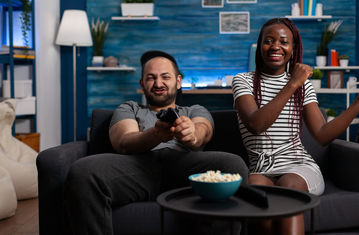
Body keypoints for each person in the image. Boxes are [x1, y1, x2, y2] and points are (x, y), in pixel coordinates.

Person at [63, 50, 248, 234]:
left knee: (233, 165)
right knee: (82, 171)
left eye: (165, 77)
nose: (158, 84)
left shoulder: (194, 110)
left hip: (186, 166)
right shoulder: (129, 108)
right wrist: (156, 134)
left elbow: (203, 130)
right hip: (138, 168)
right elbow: (124, 143)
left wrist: (192, 135)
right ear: (142, 83)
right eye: (151, 78)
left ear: (178, 81)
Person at [232, 18, 359, 235]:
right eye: (268, 41)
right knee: (255, 186)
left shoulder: (303, 86)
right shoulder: (243, 81)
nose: (276, 46)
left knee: (289, 186)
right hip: (261, 168)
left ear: (293, 49)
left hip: (299, 168)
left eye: (284, 42)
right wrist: (292, 83)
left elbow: (323, 136)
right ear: (260, 46)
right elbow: (257, 124)